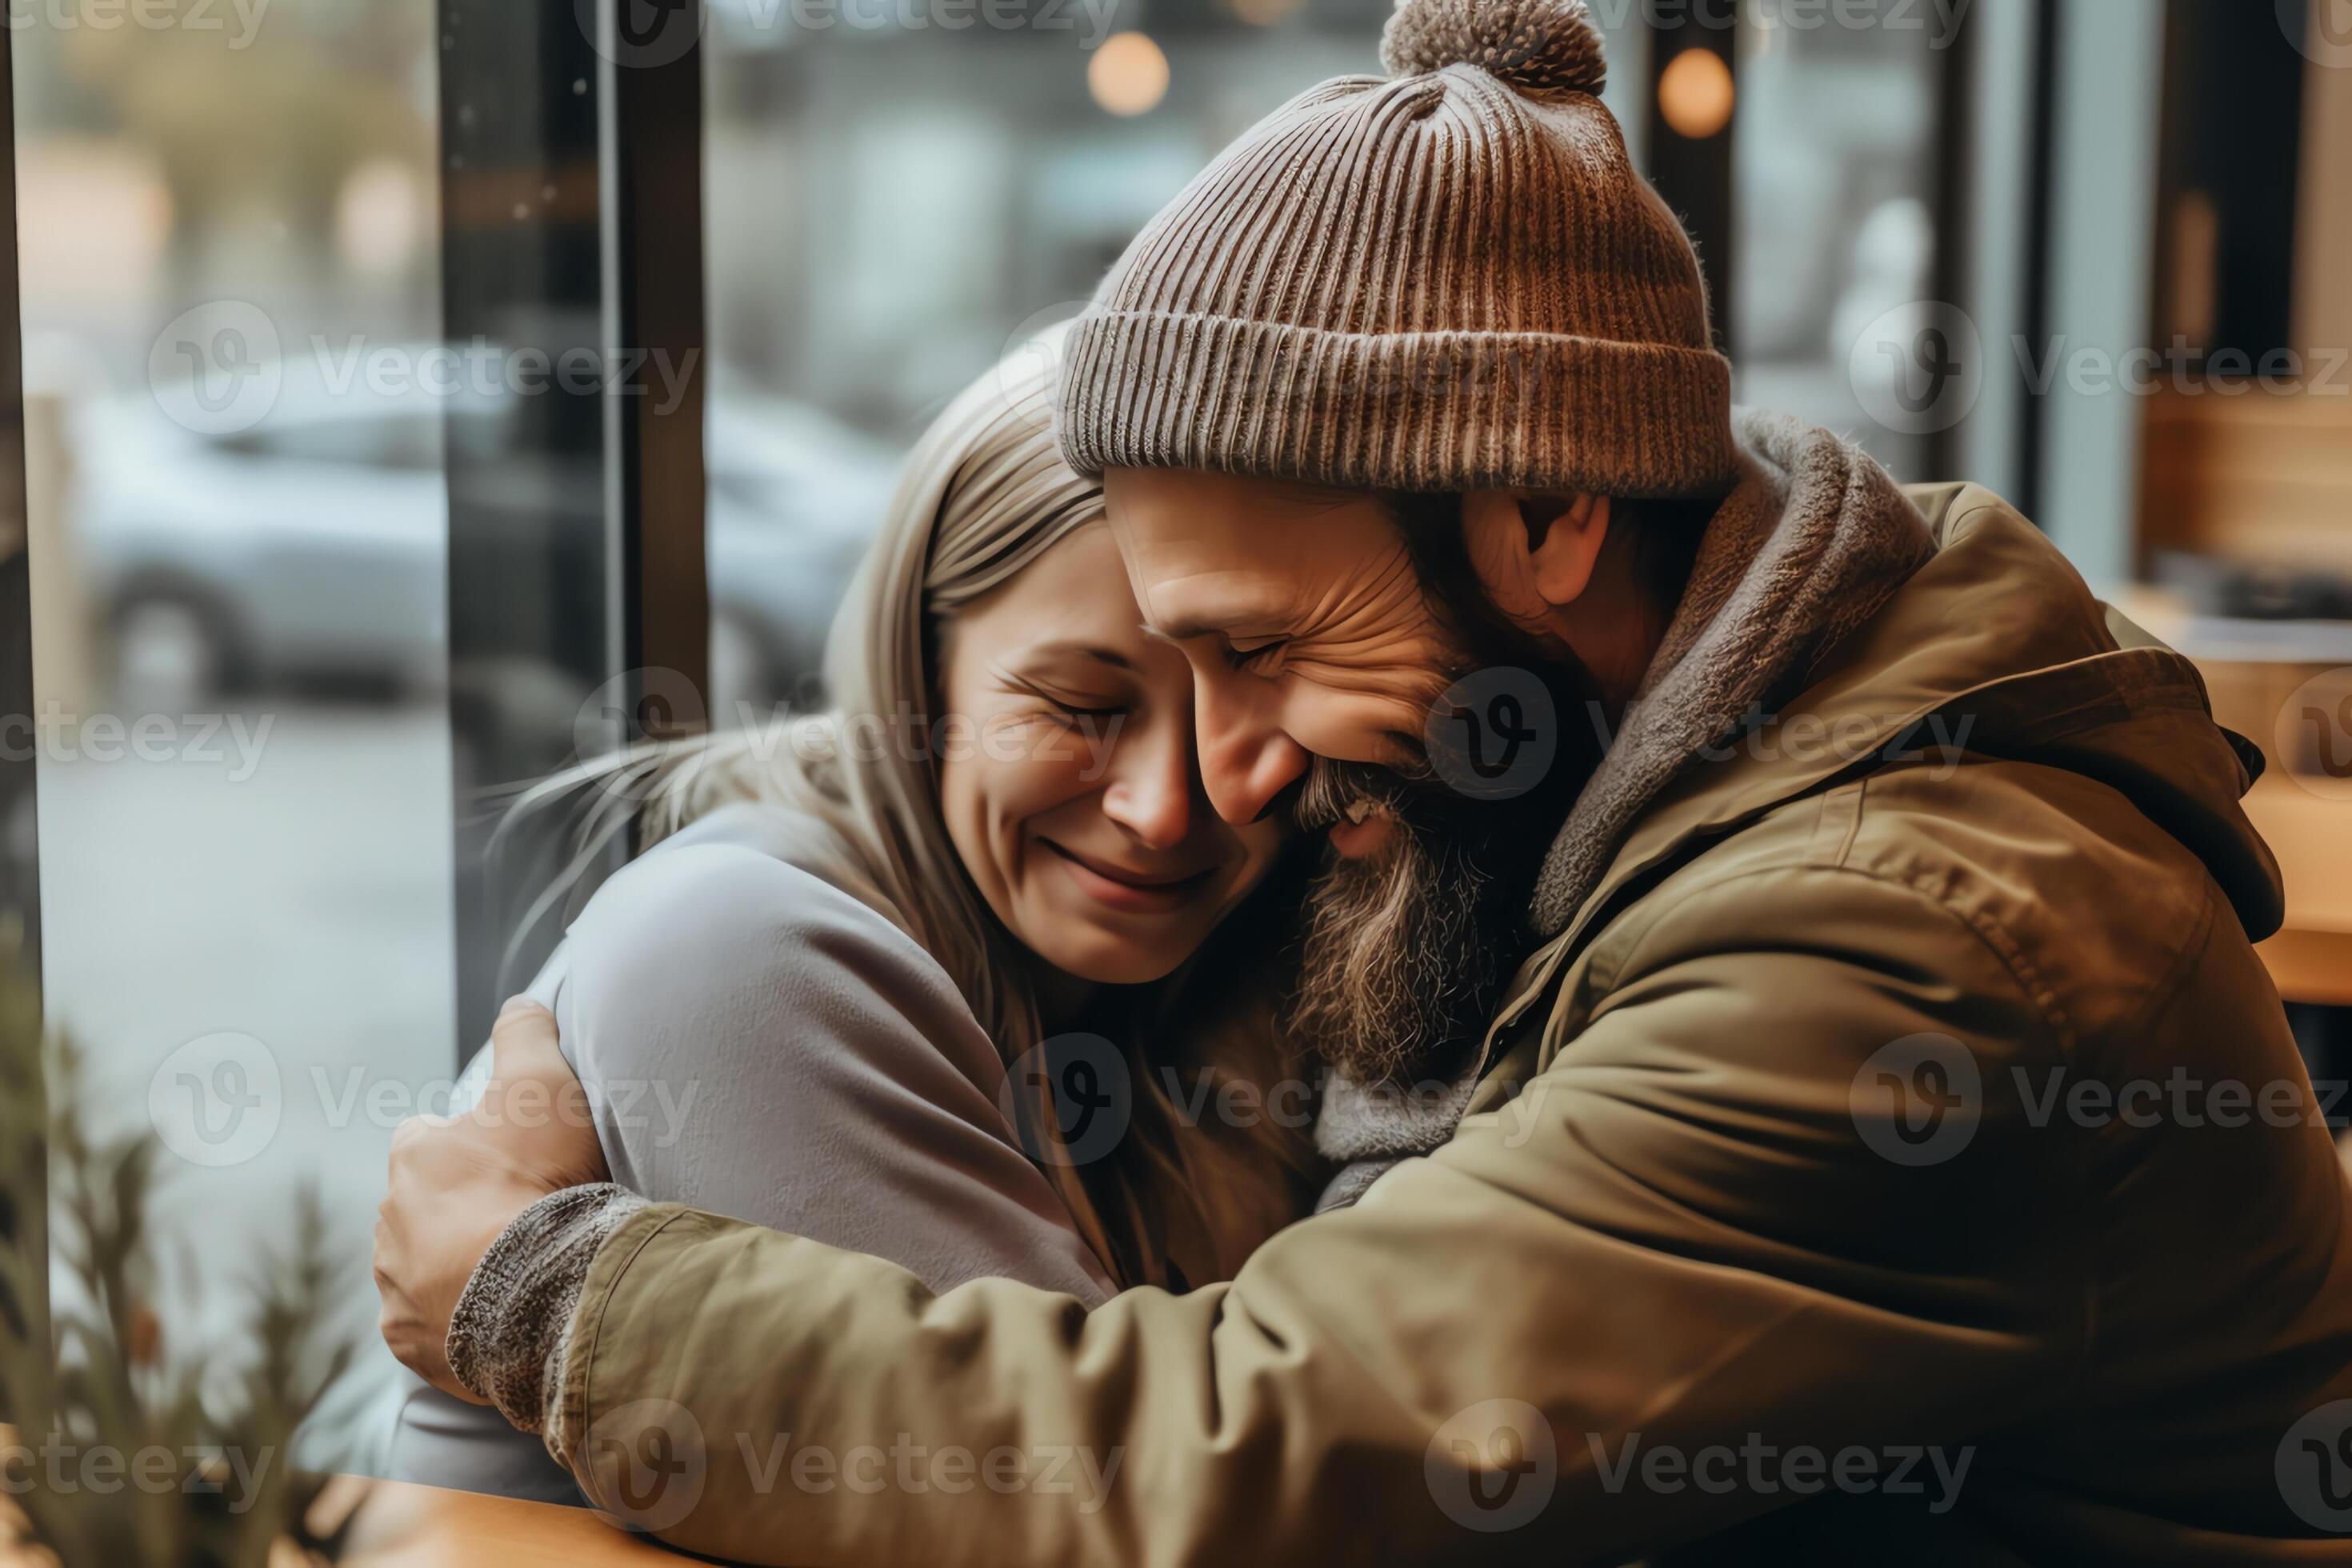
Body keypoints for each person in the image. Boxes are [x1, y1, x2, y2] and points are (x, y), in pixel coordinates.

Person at [375, 0, 2352, 1558]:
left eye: (1263, 649)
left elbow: (1245, 1466)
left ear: (1553, 512)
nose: (1229, 776)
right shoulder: (1642, 780)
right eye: (1116, 680)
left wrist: (555, 1292)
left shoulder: (1901, 942)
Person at [379, 343, 1325, 1501]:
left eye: (1257, 702)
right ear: (919, 669)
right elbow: (1111, 1508)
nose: (1165, 806)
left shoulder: (1228, 975)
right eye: (1080, 706)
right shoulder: (741, 947)